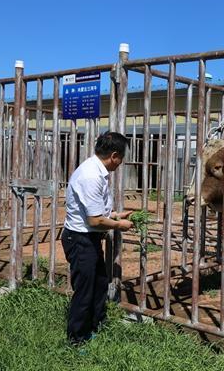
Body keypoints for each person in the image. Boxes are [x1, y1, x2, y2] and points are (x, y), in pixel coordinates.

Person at [62, 131, 133, 345]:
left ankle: (96, 325)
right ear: (114, 155)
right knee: (85, 290)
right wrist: (120, 225)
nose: (121, 163)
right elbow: (94, 220)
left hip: (88, 239)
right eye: (121, 158)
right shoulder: (91, 176)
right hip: (80, 239)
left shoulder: (96, 171)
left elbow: (97, 211)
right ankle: (77, 339)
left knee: (99, 284)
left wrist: (115, 215)